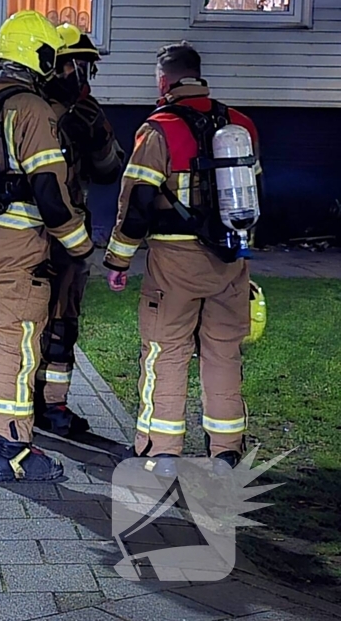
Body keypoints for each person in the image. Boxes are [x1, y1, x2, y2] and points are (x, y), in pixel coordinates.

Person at [0, 11, 93, 483]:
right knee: (18, 344)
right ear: (39, 53)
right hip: (18, 252)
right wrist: (78, 243)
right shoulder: (31, 108)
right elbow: (49, 190)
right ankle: (14, 449)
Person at [105, 41, 261, 476]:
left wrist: (119, 260)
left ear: (164, 81)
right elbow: (255, 195)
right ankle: (226, 452)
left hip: (174, 260)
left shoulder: (158, 130)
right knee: (223, 352)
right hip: (229, 257)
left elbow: (137, 205)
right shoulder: (239, 125)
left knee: (165, 349)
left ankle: (161, 450)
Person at [34, 23, 124, 438]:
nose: (82, 77)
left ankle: (46, 404)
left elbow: (109, 170)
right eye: (76, 66)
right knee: (44, 321)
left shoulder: (79, 112)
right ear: (57, 65)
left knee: (54, 322)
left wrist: (97, 133)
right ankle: (39, 405)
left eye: (87, 68)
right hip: (46, 236)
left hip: (53, 236)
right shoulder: (38, 111)